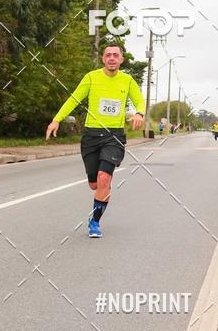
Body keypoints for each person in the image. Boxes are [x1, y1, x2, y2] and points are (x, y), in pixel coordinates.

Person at [45, 45, 145, 237]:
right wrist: (56, 119)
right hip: (91, 136)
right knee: (94, 184)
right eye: (108, 55)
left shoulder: (128, 81)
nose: (112, 58)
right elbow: (74, 99)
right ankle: (103, 189)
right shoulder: (91, 77)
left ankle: (94, 222)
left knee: (103, 178)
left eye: (116, 55)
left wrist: (139, 113)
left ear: (121, 60)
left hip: (114, 135)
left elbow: (139, 100)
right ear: (103, 59)